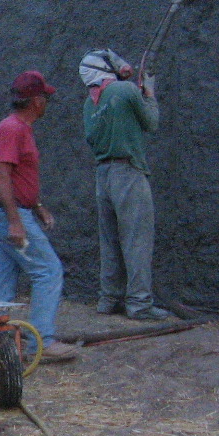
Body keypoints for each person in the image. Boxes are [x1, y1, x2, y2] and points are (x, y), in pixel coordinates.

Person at [0, 72, 78, 362]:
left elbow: (17, 176)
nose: (47, 103)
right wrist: (15, 220)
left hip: (0, 214)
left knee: (2, 282)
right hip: (6, 215)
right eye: (45, 98)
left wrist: (36, 206)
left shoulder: (15, 128)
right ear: (36, 101)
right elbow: (1, 174)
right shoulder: (14, 130)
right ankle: (40, 343)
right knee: (48, 271)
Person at [80, 49, 169, 320]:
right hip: (128, 172)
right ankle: (139, 303)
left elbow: (92, 139)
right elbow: (151, 123)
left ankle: (109, 299)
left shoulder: (90, 104)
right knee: (137, 240)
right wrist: (149, 94)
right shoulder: (125, 91)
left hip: (103, 175)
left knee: (110, 241)